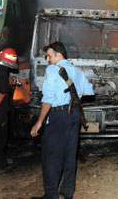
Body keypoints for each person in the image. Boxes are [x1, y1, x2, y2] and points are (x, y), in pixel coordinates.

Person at [30, 41, 93, 199]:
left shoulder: (53, 70)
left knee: (52, 156)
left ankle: (51, 196)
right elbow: (88, 92)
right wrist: (72, 95)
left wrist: (39, 122)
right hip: (74, 115)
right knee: (70, 154)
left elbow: (48, 99)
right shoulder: (77, 70)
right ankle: (67, 192)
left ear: (58, 55)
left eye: (49, 56)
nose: (48, 59)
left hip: (59, 116)